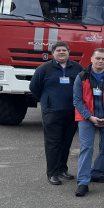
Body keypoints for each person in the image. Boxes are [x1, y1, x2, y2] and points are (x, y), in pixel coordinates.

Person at [29, 41, 83, 186]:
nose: (61, 52)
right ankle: (52, 173)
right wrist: (47, 100)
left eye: (64, 50)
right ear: (53, 53)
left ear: (68, 52)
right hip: (52, 112)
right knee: (53, 143)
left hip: (72, 112)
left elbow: (84, 86)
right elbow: (34, 88)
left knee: (66, 142)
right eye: (58, 50)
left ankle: (62, 169)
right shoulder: (44, 69)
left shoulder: (77, 68)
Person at [72, 48, 104, 197]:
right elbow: (77, 101)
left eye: (103, 59)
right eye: (98, 58)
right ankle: (83, 182)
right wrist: (90, 117)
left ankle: (96, 172)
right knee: (87, 148)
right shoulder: (81, 77)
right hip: (87, 118)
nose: (100, 61)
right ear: (91, 59)